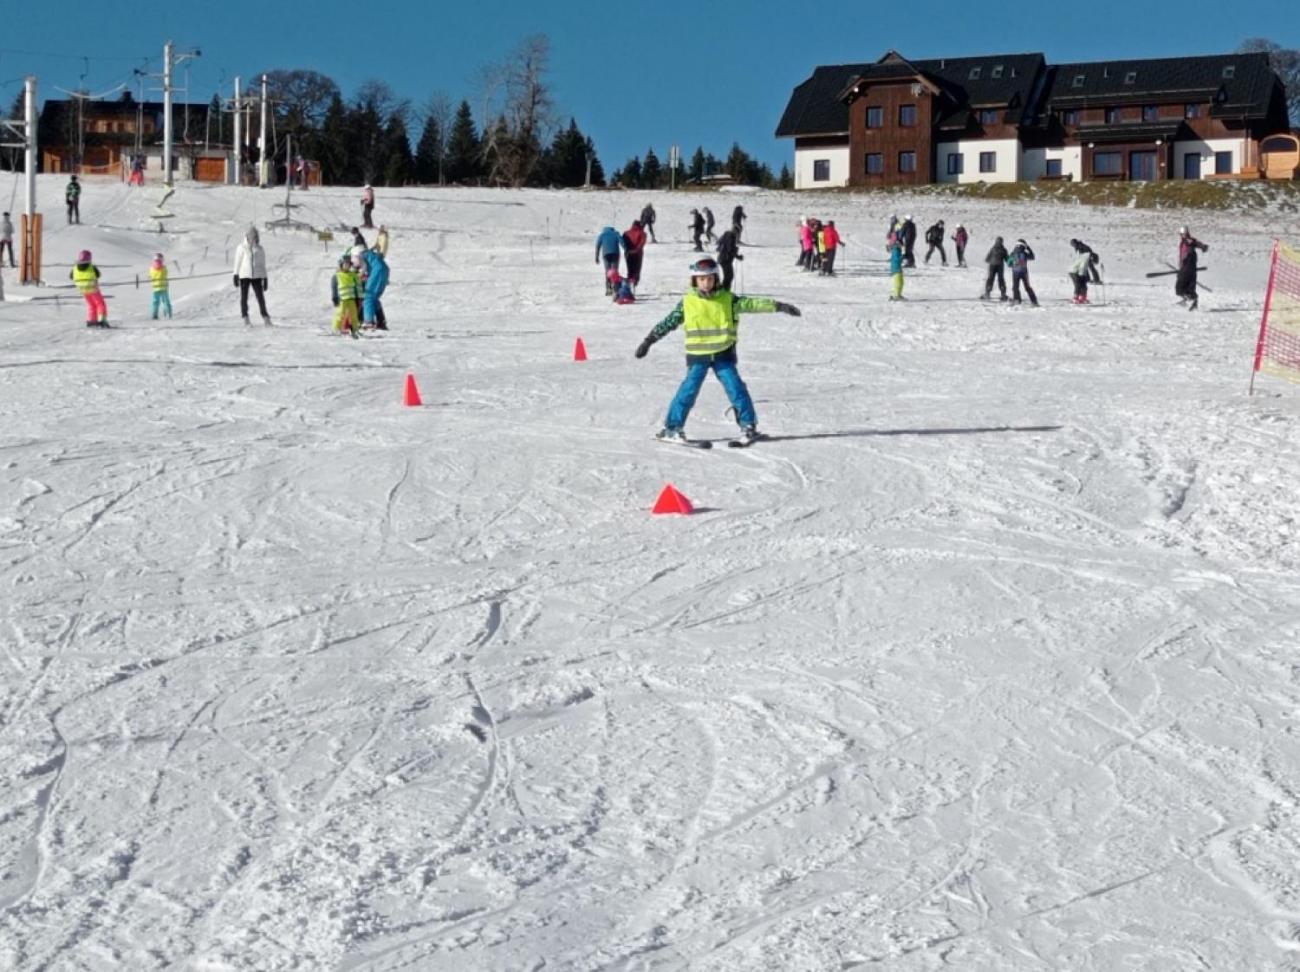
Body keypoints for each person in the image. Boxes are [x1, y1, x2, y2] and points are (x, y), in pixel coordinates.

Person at [634, 256, 801, 445]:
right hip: (698, 356)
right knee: (688, 391)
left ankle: (748, 427)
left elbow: (751, 304)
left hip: (723, 353)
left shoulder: (727, 300)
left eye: (710, 278)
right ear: (695, 280)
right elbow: (669, 322)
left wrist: (778, 306)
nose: (706, 283)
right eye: (702, 279)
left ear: (716, 279)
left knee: (736, 388)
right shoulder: (688, 302)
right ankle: (672, 428)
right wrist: (649, 340)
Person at [233, 226, 271, 325]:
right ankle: (245, 316)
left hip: (257, 276)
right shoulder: (241, 247)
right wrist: (235, 274)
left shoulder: (259, 249)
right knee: (244, 297)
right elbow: (238, 261)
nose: (253, 239)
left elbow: (262, 264)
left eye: (255, 237)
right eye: (251, 237)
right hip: (244, 275)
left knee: (260, 297)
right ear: (247, 237)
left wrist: (265, 277)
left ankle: (265, 316)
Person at [70, 249, 108, 327]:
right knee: (100, 304)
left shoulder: (75, 268)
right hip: (93, 288)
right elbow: (98, 275)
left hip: (83, 290)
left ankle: (92, 320)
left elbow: (71, 276)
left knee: (91, 305)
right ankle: (102, 320)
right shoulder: (91, 267)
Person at [1176, 227, 1208, 311]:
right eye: (1182, 234)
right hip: (1184, 268)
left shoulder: (1189, 241)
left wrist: (1203, 246)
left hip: (1189, 268)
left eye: (1184, 234)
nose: (1183, 235)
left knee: (1186, 287)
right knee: (1180, 288)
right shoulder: (1183, 242)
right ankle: (1187, 300)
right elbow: (1182, 255)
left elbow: (1195, 243)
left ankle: (1193, 301)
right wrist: (1181, 266)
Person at [331, 255, 361, 337]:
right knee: (340, 313)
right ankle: (336, 328)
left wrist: (359, 297)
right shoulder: (337, 276)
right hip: (342, 299)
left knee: (354, 314)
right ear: (341, 265)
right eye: (345, 264)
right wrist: (334, 297)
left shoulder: (353, 275)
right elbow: (334, 287)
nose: (347, 266)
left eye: (348, 264)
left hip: (351, 298)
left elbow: (357, 287)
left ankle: (355, 329)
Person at [361, 247, 390, 329]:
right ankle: (381, 321)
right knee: (374, 298)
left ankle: (368, 322)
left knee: (368, 296)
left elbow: (362, 268)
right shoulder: (371, 255)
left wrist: (361, 275)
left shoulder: (359, 255)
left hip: (377, 271)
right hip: (384, 271)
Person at [1007, 238, 1037, 306]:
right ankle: (1034, 301)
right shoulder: (1025, 253)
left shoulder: (1013, 254)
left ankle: (1017, 300)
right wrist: (1028, 248)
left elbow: (1008, 263)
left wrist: (1013, 265)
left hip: (1015, 273)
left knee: (1015, 287)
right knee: (1027, 287)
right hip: (1024, 273)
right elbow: (1032, 257)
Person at [595, 225, 622, 293]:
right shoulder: (616, 233)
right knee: (614, 271)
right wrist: (626, 249)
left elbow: (598, 245)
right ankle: (616, 288)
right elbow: (622, 241)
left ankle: (608, 288)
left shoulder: (602, 235)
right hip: (615, 254)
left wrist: (597, 257)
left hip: (606, 255)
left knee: (608, 271)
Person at [621, 220, 647, 290]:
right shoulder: (642, 233)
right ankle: (634, 284)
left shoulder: (626, 233)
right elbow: (642, 243)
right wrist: (636, 250)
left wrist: (627, 250)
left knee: (630, 270)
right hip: (638, 254)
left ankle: (629, 285)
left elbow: (623, 242)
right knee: (637, 270)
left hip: (628, 254)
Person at [982, 236, 1008, 301]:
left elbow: (987, 258)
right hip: (1000, 266)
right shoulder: (1003, 250)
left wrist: (988, 260)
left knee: (990, 278)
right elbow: (1007, 259)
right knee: (1001, 279)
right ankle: (1003, 294)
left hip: (992, 265)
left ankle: (987, 293)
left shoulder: (993, 248)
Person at [148, 252, 172, 319]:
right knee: (164, 302)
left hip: (158, 288)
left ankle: (156, 315)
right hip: (160, 288)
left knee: (158, 302)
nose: (158, 262)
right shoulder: (163, 268)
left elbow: (150, 276)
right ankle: (167, 315)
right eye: (157, 261)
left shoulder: (153, 268)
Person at [887, 232, 905, 301]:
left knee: (901, 282)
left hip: (897, 267)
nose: (902, 246)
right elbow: (897, 259)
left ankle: (898, 294)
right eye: (901, 244)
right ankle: (896, 295)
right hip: (896, 268)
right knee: (898, 282)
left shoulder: (896, 249)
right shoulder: (896, 250)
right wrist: (903, 257)